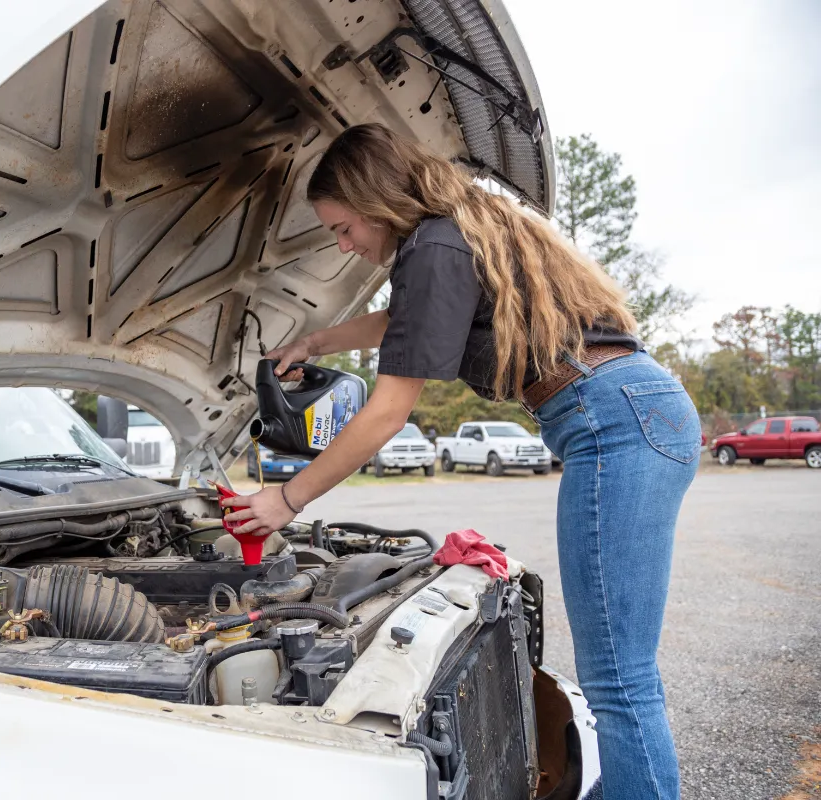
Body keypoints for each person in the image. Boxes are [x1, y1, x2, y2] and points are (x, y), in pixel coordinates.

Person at [222, 123, 699, 800]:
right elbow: (406, 321)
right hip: (634, 410)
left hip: (613, 422)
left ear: (375, 200)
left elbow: (387, 414)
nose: (345, 246)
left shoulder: (434, 245)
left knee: (618, 680)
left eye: (343, 227)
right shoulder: (454, 235)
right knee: (622, 674)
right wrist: (322, 338)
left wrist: (285, 500)